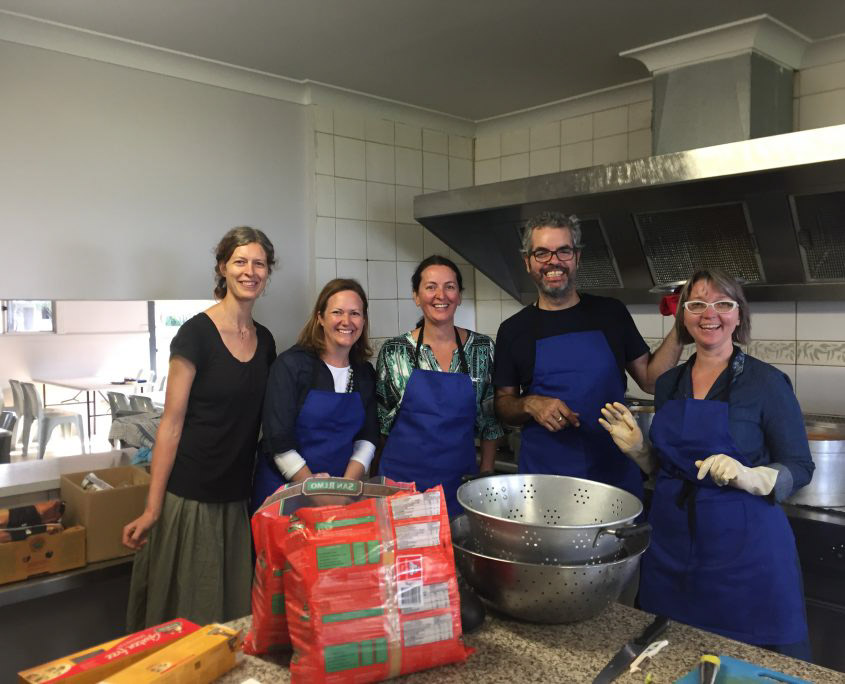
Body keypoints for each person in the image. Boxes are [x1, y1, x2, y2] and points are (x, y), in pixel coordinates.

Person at [599, 268, 814, 660]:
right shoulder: (669, 384)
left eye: (723, 304)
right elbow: (668, 468)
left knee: (746, 662)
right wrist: (640, 452)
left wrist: (751, 476)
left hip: (743, 554)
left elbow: (800, 466)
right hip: (670, 547)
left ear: (739, 315)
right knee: (670, 658)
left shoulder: (766, 383)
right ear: (683, 316)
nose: (709, 314)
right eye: (696, 304)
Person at [123, 226, 277, 630]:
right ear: (223, 267)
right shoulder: (195, 335)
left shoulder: (266, 341)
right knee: (189, 619)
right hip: (191, 498)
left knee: (232, 620)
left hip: (236, 498)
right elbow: (170, 426)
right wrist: (153, 509)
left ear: (268, 272)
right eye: (240, 261)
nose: (250, 271)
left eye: (258, 263)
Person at [494, 211, 681, 498]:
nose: (553, 261)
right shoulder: (513, 330)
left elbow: (651, 381)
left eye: (563, 251)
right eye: (541, 253)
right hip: (545, 481)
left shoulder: (611, 313)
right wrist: (530, 404)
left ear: (577, 257)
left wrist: (681, 326)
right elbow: (503, 405)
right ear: (527, 262)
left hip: (613, 476)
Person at [376, 255, 503, 517]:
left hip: (460, 482)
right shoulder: (394, 351)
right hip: (402, 484)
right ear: (416, 295)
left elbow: (490, 420)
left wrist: (486, 473)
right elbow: (382, 422)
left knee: (455, 554)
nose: (440, 295)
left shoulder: (482, 348)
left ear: (459, 295)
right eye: (430, 286)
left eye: (450, 286)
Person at [251, 278, 378, 509]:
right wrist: (316, 492)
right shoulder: (291, 366)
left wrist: (346, 488)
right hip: (284, 495)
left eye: (355, 313)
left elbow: (367, 437)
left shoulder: (364, 373)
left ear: (364, 320)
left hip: (339, 497)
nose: (346, 321)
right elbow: (278, 441)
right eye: (337, 312)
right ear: (320, 317)